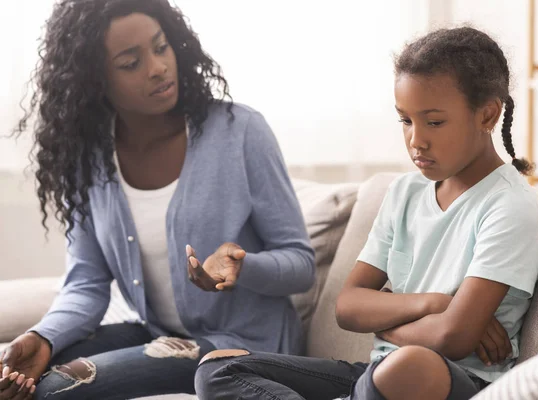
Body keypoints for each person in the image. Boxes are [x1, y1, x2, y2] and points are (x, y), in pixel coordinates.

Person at [194, 27, 538, 400]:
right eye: (405, 120)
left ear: (487, 115)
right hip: (376, 374)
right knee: (218, 367)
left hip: (452, 380)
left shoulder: (508, 206)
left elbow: (453, 337)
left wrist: (386, 327)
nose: (416, 140)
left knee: (412, 364)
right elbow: (348, 307)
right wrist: (437, 303)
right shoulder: (404, 192)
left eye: (434, 121)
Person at [0, 0, 315, 399]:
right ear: (94, 80)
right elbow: (87, 283)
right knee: (26, 377)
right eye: (131, 63)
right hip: (160, 336)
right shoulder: (89, 159)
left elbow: (301, 265)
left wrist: (242, 265)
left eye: (161, 47)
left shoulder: (240, 132)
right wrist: (43, 337)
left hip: (241, 346)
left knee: (59, 387)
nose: (158, 67)